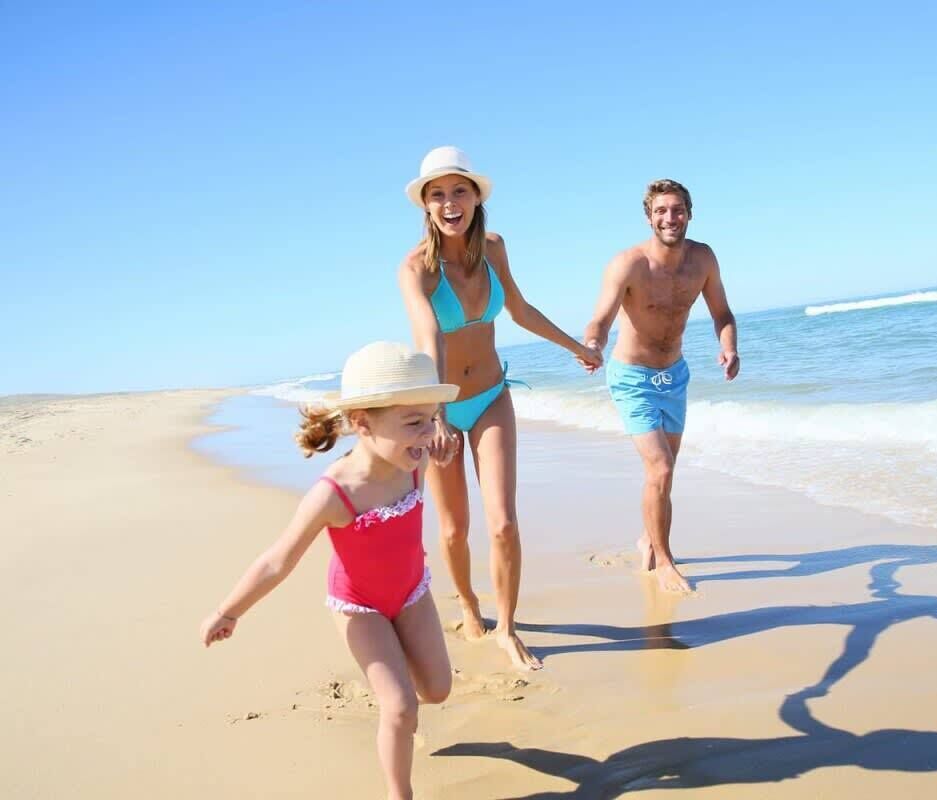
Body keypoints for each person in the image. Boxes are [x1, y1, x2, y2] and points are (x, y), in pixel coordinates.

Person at [200, 341, 458, 800]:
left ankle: (399, 679)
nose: (428, 433)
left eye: (432, 418)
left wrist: (442, 449)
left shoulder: (415, 459)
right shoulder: (334, 494)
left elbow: (433, 446)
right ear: (362, 422)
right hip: (359, 606)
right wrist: (228, 611)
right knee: (401, 708)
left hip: (411, 592)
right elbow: (277, 560)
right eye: (413, 422)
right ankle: (400, 793)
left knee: (437, 690)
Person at [398, 146, 602, 670]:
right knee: (452, 530)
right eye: (438, 194)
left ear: (475, 197)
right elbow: (428, 339)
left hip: (491, 396)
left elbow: (520, 309)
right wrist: (436, 414)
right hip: (441, 407)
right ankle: (469, 604)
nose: (450, 203)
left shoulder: (493, 248)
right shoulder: (416, 269)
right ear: (425, 204)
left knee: (504, 523)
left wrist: (576, 348)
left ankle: (507, 628)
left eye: (459, 191)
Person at [583, 179, 739, 593]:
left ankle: (647, 539)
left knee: (664, 473)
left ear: (689, 213)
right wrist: (593, 345)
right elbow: (600, 319)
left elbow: (722, 313)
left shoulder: (703, 259)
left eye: (678, 210)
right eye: (661, 211)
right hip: (633, 378)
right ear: (649, 217)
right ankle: (664, 560)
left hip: (675, 376)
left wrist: (729, 347)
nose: (670, 218)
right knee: (661, 467)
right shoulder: (629, 264)